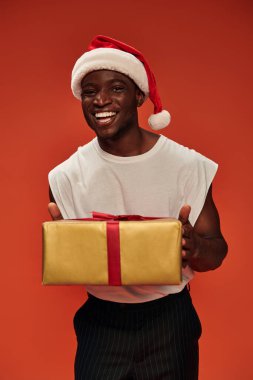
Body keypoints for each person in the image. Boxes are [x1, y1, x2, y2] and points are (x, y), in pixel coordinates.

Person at [48, 35, 228, 380]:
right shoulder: (64, 177)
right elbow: (74, 267)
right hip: (101, 323)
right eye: (89, 91)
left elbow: (216, 252)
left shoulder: (187, 165)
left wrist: (195, 246)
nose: (101, 99)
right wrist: (64, 247)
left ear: (139, 96)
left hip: (169, 319)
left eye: (116, 88)